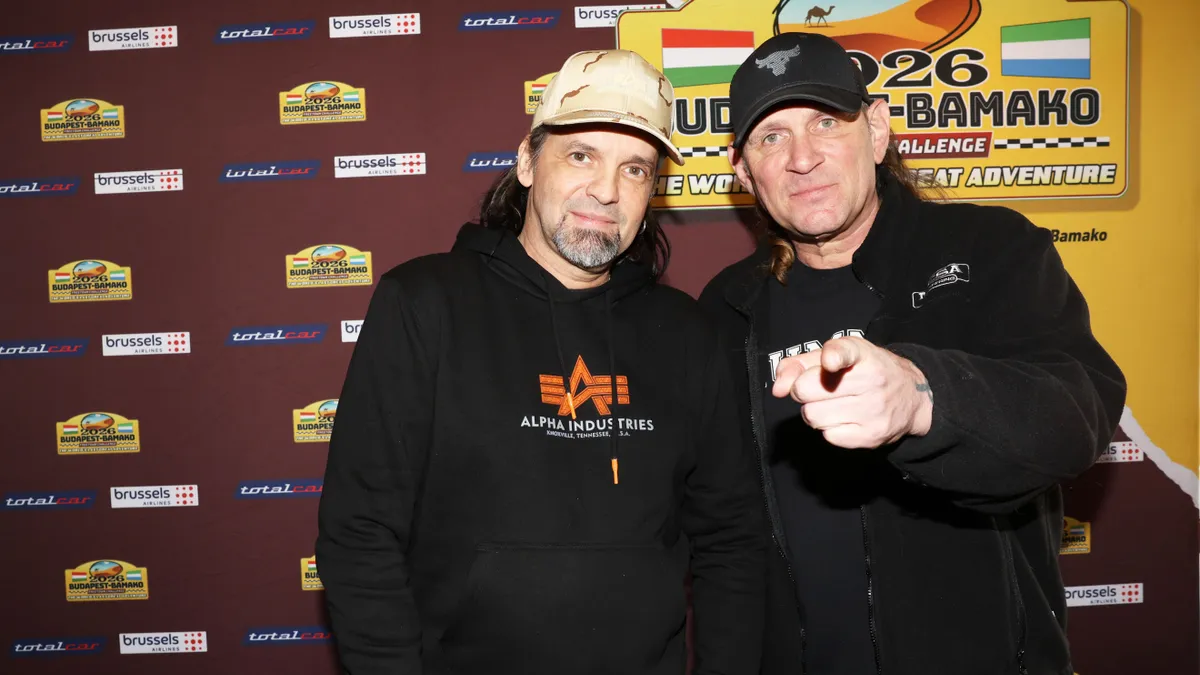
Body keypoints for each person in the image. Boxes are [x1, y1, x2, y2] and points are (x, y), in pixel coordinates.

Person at [316, 49, 764, 675]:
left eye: (635, 169)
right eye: (581, 155)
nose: (606, 190)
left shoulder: (688, 332)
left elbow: (731, 539)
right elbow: (360, 530)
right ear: (528, 162)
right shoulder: (424, 303)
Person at [699, 32, 1127, 675]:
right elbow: (722, 525)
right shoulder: (727, 305)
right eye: (771, 137)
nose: (802, 158)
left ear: (876, 131)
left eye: (826, 122)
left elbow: (1077, 413)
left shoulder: (991, 249)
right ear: (743, 170)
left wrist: (924, 398)